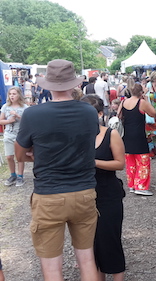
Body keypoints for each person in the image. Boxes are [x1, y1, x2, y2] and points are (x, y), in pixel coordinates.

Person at [15, 59, 100, 281]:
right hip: (84, 192)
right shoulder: (89, 112)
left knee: (52, 269)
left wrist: (37, 154)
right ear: (74, 84)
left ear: (47, 85)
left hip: (49, 194)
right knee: (87, 259)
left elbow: (19, 155)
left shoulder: (33, 115)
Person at [81, 95, 126, 281]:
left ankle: (117, 276)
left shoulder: (110, 134)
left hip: (108, 194)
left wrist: (93, 162)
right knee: (91, 244)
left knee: (110, 240)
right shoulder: (77, 136)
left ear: (100, 114)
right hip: (84, 195)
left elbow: (120, 164)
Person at [120, 84, 156, 196]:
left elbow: (119, 115)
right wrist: (145, 99)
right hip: (139, 134)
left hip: (127, 134)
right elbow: (153, 113)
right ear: (141, 92)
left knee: (130, 161)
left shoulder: (123, 102)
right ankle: (141, 185)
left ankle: (131, 184)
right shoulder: (142, 103)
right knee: (143, 161)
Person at [0, 87, 28, 187]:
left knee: (20, 157)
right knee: (9, 156)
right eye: (10, 94)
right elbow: (1, 120)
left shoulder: (24, 107)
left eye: (14, 94)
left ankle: (20, 176)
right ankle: (13, 175)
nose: (12, 96)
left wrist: (17, 115)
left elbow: (28, 121)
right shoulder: (5, 107)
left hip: (20, 135)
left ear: (19, 95)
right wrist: (8, 121)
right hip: (8, 134)